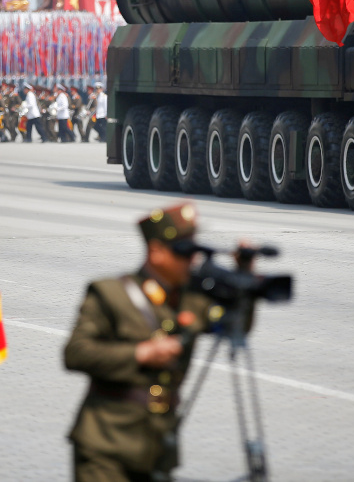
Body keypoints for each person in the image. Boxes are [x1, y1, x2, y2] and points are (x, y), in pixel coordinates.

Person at [65, 203, 237, 482]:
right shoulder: (110, 294)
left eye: (195, 252)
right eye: (184, 253)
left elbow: (234, 326)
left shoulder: (190, 300)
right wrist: (140, 354)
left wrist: (241, 278)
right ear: (156, 251)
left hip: (157, 445)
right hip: (106, 446)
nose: (191, 261)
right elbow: (75, 353)